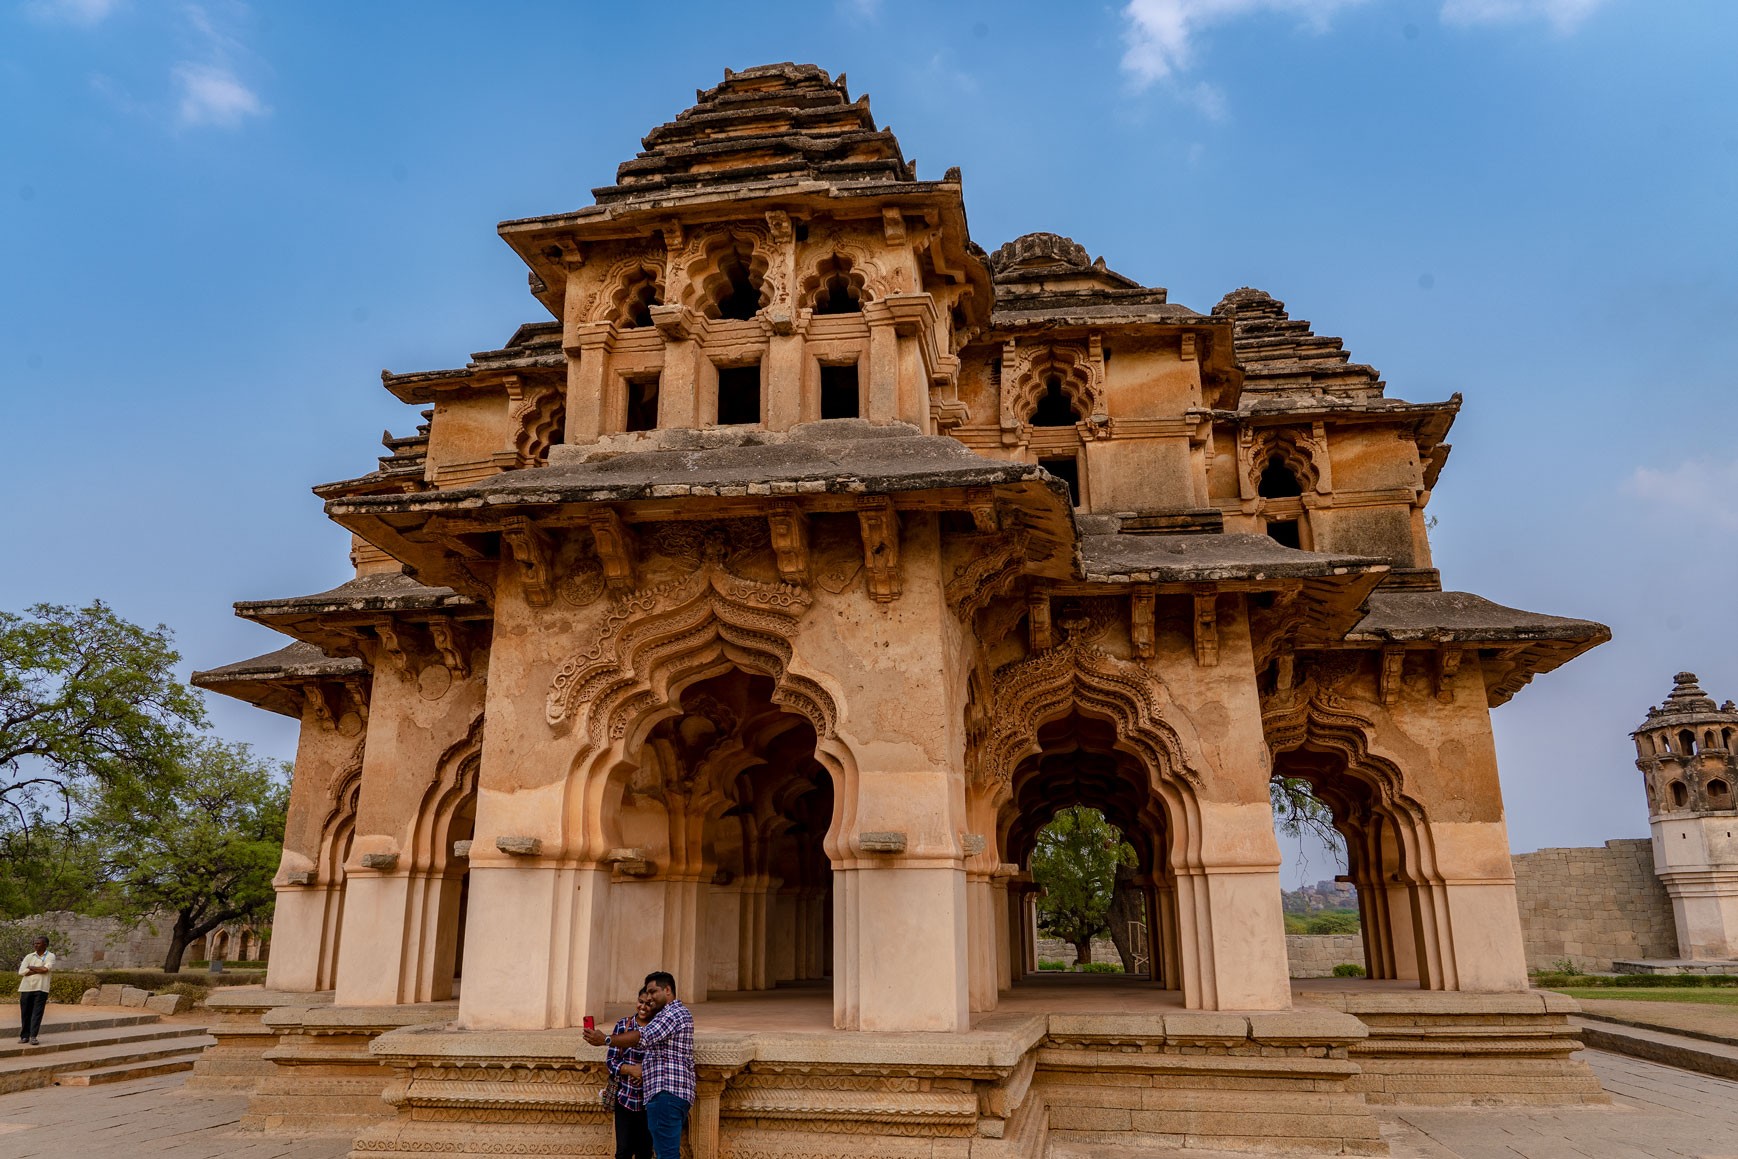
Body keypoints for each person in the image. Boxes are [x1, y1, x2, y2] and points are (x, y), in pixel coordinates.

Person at [584, 972, 694, 1159]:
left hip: (665, 1093)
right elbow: (613, 1060)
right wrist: (631, 1069)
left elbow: (642, 1036)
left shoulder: (671, 1014)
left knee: (664, 1154)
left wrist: (606, 1039)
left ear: (667, 990)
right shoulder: (671, 1014)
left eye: (653, 992)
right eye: (645, 995)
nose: (649, 998)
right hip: (649, 1096)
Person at [606, 986, 655, 1159]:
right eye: (640, 1002)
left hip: (648, 1101)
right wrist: (631, 1070)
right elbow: (611, 1061)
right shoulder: (623, 1026)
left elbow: (663, 1062)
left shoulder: (657, 1030)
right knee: (623, 1151)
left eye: (648, 1004)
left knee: (644, 1151)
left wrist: (645, 1074)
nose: (643, 1007)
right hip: (624, 1098)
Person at [17, 935, 54, 1046]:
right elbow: (21, 972)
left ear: (45, 945)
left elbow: (46, 969)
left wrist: (31, 967)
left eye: (38, 943)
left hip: (41, 988)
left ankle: (33, 1036)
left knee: (37, 1013)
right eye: (35, 943)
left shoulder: (50, 956)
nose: (35, 945)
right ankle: (24, 1036)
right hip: (26, 987)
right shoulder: (29, 956)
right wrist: (39, 969)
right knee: (25, 1013)